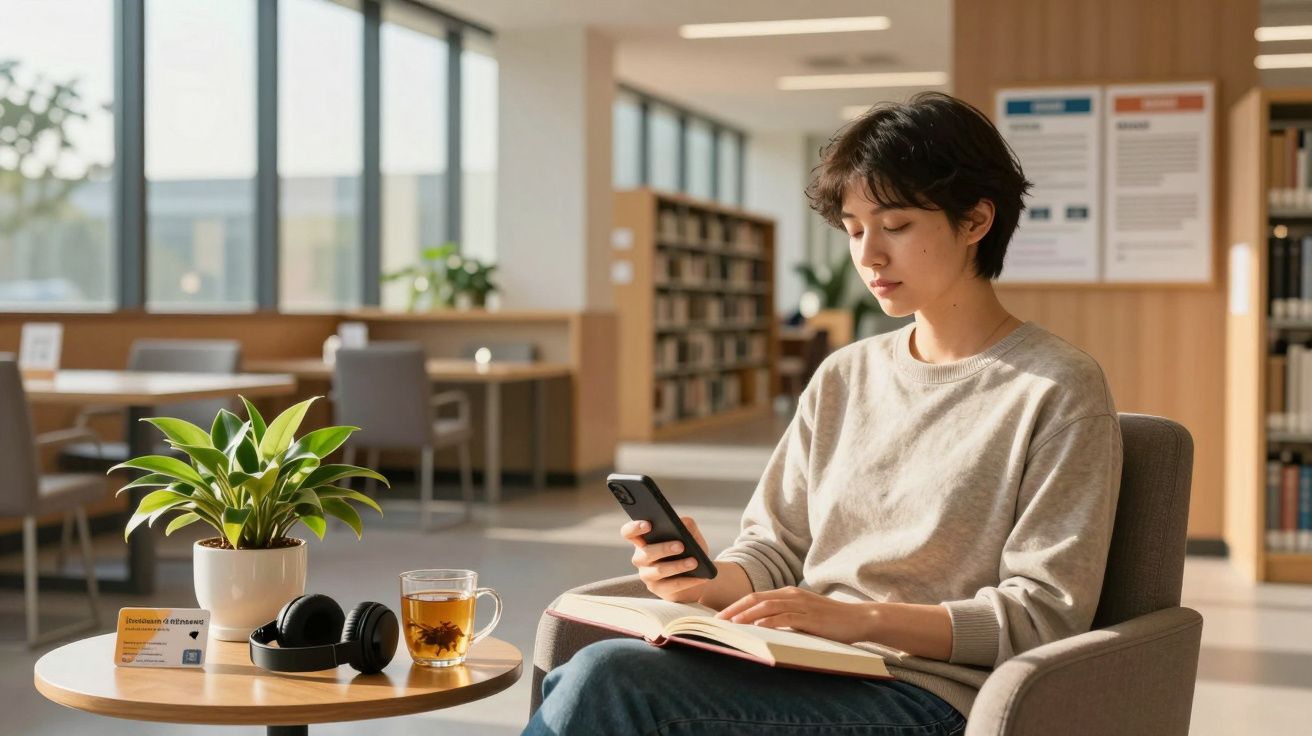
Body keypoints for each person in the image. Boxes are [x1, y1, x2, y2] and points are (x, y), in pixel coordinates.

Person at [525, 91, 1123, 735]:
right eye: (854, 230)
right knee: (594, 672)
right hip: (802, 667)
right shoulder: (845, 374)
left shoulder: (1057, 387)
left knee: (607, 684)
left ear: (976, 220)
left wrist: (855, 619)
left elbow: (1043, 613)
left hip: (925, 696)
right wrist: (703, 580)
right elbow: (777, 546)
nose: (868, 256)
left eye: (894, 227)